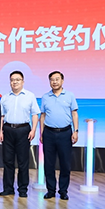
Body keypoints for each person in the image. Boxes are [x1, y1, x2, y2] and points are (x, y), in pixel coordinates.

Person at [0, 71, 40, 197]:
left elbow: (35, 114)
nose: (15, 82)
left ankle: (23, 189)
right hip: (8, 130)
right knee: (8, 161)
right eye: (12, 80)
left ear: (23, 81)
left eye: (17, 79)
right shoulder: (5, 97)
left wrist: (33, 130)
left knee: (23, 162)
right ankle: (8, 188)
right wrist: (0, 131)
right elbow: (1, 116)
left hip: (23, 130)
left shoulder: (30, 96)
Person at [40, 71, 78, 200]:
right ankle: (50, 190)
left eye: (57, 79)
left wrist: (76, 131)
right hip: (49, 133)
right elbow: (43, 115)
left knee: (65, 164)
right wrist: (41, 133)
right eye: (52, 79)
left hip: (65, 133)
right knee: (48, 164)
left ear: (62, 81)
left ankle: (63, 191)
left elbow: (74, 114)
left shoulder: (70, 95)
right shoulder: (45, 97)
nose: (54, 82)